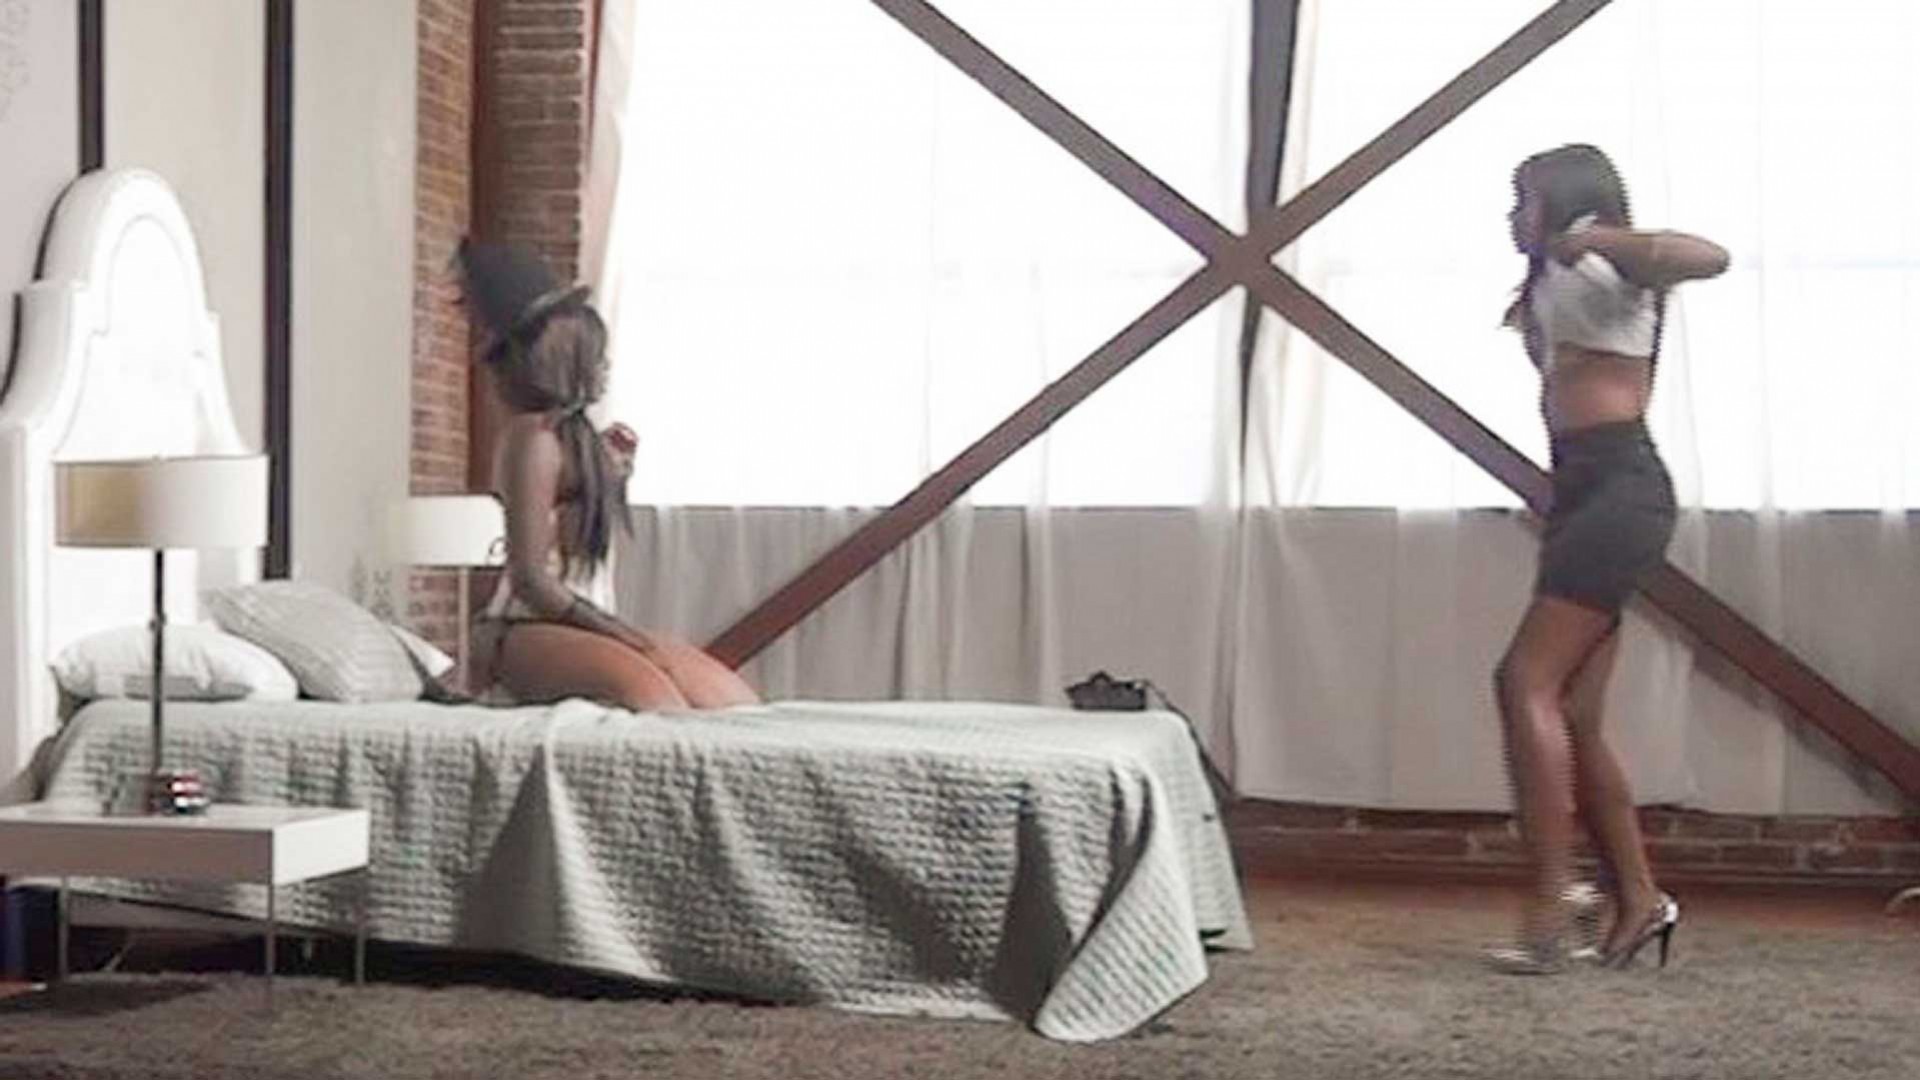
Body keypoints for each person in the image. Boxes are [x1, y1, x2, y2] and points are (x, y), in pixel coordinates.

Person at [1488, 145, 1727, 973]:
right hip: (1583, 493)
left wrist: (1597, 239)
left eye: (1524, 200)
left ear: (1565, 201)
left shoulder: (1610, 265)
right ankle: (1640, 899)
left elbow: (1710, 256)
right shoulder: (1554, 284)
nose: (1511, 217)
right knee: (1577, 713)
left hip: (1623, 487)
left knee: (1523, 681)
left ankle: (1554, 899)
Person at [456, 240, 760, 711]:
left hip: (571, 624)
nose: (604, 367)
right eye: (595, 354)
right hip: (521, 627)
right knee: (659, 705)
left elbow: (576, 545)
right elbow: (530, 579)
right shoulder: (530, 438)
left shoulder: (574, 438)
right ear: (561, 356)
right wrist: (621, 634)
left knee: (731, 705)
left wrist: (612, 479)